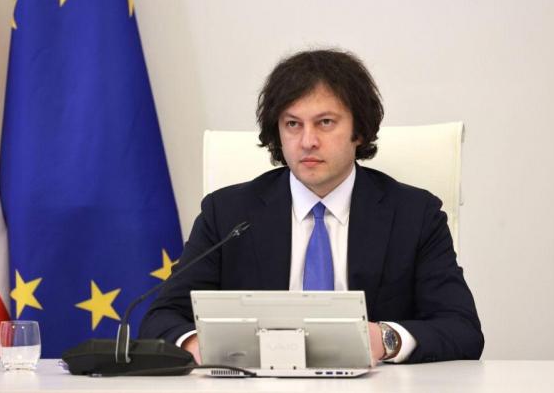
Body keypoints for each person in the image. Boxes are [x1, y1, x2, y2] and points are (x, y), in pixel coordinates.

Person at [139, 49, 484, 364]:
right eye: (293, 124)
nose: (307, 141)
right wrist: (197, 345)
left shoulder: (415, 214)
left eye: (325, 123)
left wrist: (385, 339)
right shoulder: (227, 213)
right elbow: (161, 317)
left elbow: (462, 329)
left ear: (359, 130)